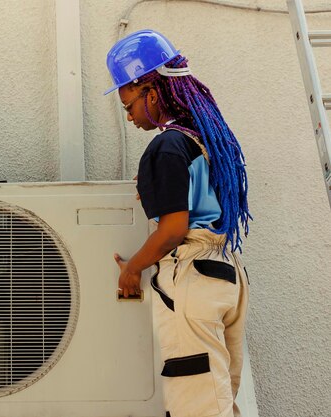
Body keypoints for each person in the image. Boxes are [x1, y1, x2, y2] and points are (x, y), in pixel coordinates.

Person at [105, 30, 251, 417]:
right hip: (226, 273)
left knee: (197, 404)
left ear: (151, 91)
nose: (130, 116)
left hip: (192, 278)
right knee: (220, 400)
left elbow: (172, 230)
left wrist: (132, 269)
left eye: (129, 104)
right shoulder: (207, 137)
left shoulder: (167, 145)